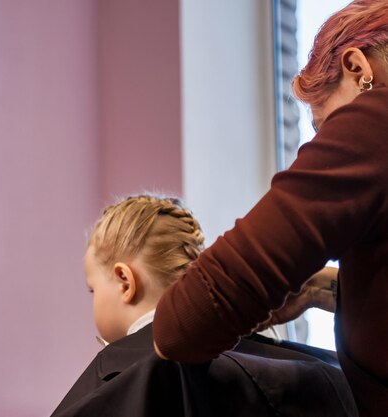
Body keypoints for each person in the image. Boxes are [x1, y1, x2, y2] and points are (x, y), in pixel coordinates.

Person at [152, 2, 388, 416]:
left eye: (323, 124)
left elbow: (185, 325)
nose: (322, 142)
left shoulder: (375, 122)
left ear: (357, 68)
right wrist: (324, 288)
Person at [52, 194, 356, 417]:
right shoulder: (308, 365)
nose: (92, 299)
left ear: (124, 281)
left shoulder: (123, 381)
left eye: (92, 289)